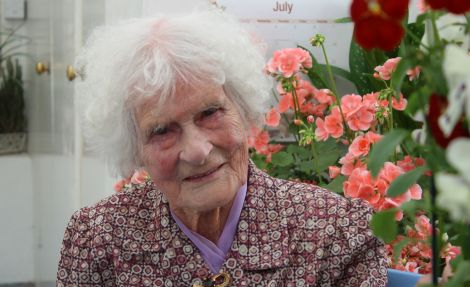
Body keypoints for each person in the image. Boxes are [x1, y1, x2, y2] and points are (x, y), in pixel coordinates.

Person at [56, 9, 388, 286]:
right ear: (133, 149)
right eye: (161, 131)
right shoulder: (98, 241)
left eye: (210, 113)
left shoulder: (339, 232)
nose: (198, 151)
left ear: (244, 111)